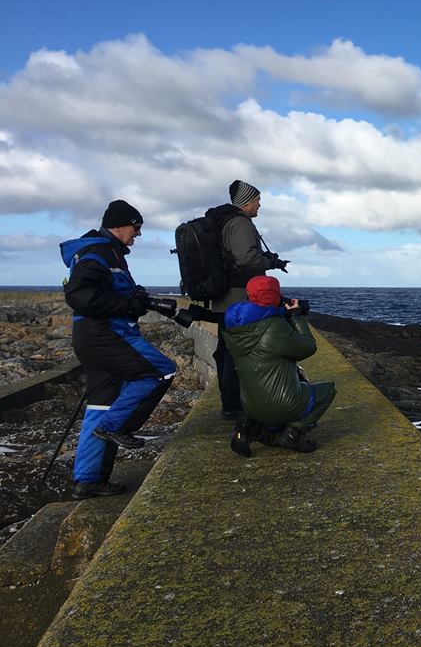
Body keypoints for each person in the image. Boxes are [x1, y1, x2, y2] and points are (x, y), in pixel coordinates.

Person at [59, 200, 176, 499]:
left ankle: (88, 480)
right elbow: (80, 295)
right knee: (159, 372)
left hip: (90, 336)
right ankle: (117, 426)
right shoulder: (97, 252)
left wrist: (134, 298)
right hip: (105, 333)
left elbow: (103, 291)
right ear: (119, 225)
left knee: (101, 404)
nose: (138, 234)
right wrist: (127, 305)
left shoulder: (106, 252)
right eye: (135, 227)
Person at [222, 276, 335, 455]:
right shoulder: (274, 328)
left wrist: (281, 312)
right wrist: (296, 316)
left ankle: (248, 426)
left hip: (249, 405)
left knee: (266, 404)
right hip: (281, 405)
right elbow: (308, 347)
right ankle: (293, 433)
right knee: (328, 390)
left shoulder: (235, 327)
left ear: (249, 294)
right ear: (275, 295)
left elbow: (262, 317)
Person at [205, 180, 287, 419]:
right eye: (257, 201)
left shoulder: (224, 221)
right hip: (239, 298)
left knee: (226, 350)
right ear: (246, 202)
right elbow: (247, 259)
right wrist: (269, 262)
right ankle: (233, 405)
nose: (259, 205)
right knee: (236, 352)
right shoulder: (239, 223)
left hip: (225, 299)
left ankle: (230, 402)